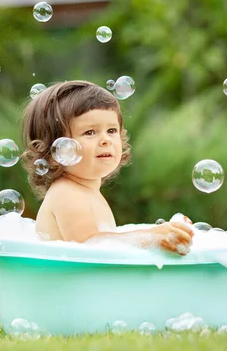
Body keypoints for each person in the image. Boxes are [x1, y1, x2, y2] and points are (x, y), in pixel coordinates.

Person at [21, 80, 193, 255]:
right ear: (55, 151)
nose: (106, 139)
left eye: (111, 130)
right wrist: (151, 237)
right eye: (89, 132)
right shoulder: (66, 193)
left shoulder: (87, 192)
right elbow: (91, 248)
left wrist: (165, 233)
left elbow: (107, 244)